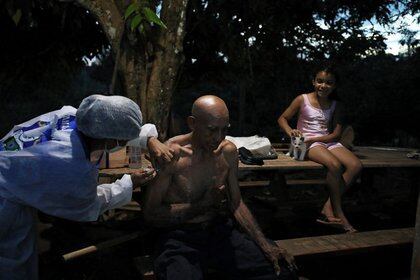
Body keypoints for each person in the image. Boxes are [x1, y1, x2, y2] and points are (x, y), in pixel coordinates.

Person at [0, 94, 175, 279]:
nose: (124, 144)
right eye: (122, 142)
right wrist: (129, 183)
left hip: (10, 176)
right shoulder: (73, 165)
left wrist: (149, 139)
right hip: (5, 204)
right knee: (13, 263)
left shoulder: (73, 117)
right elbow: (89, 204)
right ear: (110, 140)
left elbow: (114, 126)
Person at [143, 95, 298, 280]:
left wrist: (265, 245)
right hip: (179, 237)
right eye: (211, 130)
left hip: (219, 232)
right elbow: (151, 214)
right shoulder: (172, 154)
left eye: (224, 130)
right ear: (192, 123)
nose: (218, 137)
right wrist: (203, 205)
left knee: (283, 271)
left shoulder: (228, 151)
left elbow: (237, 203)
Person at [277, 65, 362, 233]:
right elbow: (282, 118)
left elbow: (336, 134)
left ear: (335, 85)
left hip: (324, 140)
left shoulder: (336, 105)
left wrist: (315, 138)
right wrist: (292, 133)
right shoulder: (302, 99)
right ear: (313, 82)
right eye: (320, 81)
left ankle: (328, 205)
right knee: (335, 165)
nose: (323, 86)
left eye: (329, 83)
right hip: (304, 144)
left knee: (356, 165)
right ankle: (339, 213)